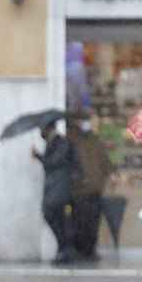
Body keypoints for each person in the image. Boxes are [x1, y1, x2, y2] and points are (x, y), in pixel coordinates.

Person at [32, 120, 80, 265]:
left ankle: (66, 250)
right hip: (53, 188)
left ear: (49, 128)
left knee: (54, 216)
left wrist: (38, 156)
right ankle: (63, 249)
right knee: (53, 217)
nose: (41, 132)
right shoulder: (52, 142)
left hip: (60, 188)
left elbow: (53, 162)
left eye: (42, 128)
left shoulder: (61, 142)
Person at [67, 114, 113, 261]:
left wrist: (107, 174)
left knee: (93, 222)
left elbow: (104, 160)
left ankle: (90, 250)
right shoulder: (72, 140)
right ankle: (78, 250)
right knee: (79, 222)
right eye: (83, 120)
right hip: (79, 191)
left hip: (95, 189)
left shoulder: (94, 139)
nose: (86, 124)